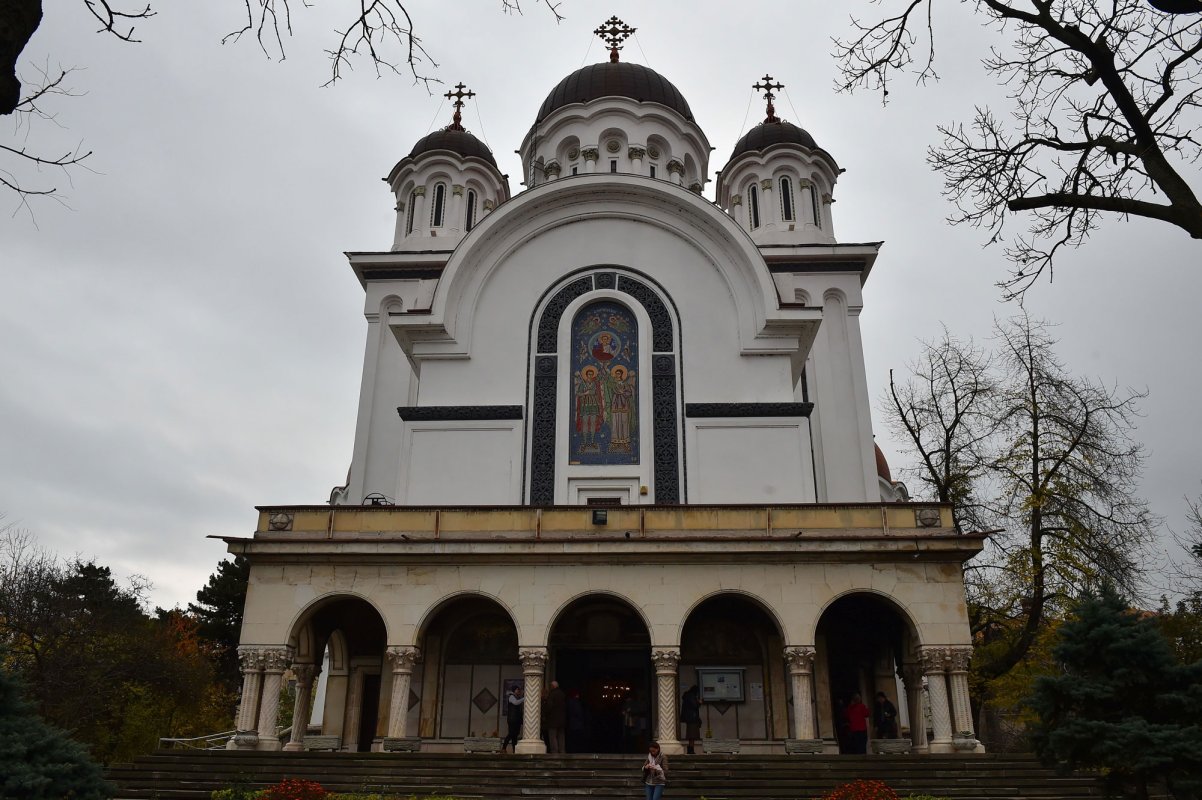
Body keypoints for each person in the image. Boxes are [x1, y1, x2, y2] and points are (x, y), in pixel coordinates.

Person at [545, 680, 567, 754]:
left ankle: (554, 751)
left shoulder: (552, 694)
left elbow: (549, 706)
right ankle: (562, 750)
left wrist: (545, 713)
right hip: (562, 719)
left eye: (550, 686)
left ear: (552, 686)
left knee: (553, 736)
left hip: (553, 719)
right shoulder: (562, 694)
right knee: (561, 736)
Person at [502, 684, 524, 753]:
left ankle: (514, 750)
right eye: (517, 690)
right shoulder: (511, 697)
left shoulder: (517, 697)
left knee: (515, 735)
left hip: (517, 720)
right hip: (512, 719)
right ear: (514, 690)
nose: (518, 691)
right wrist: (524, 698)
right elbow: (516, 703)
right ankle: (503, 748)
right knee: (511, 734)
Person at [680, 685, 701, 755]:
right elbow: (695, 705)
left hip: (690, 718)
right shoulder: (691, 696)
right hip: (692, 718)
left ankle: (690, 749)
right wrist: (699, 702)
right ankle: (690, 749)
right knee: (692, 735)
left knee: (691, 735)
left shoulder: (688, 696)